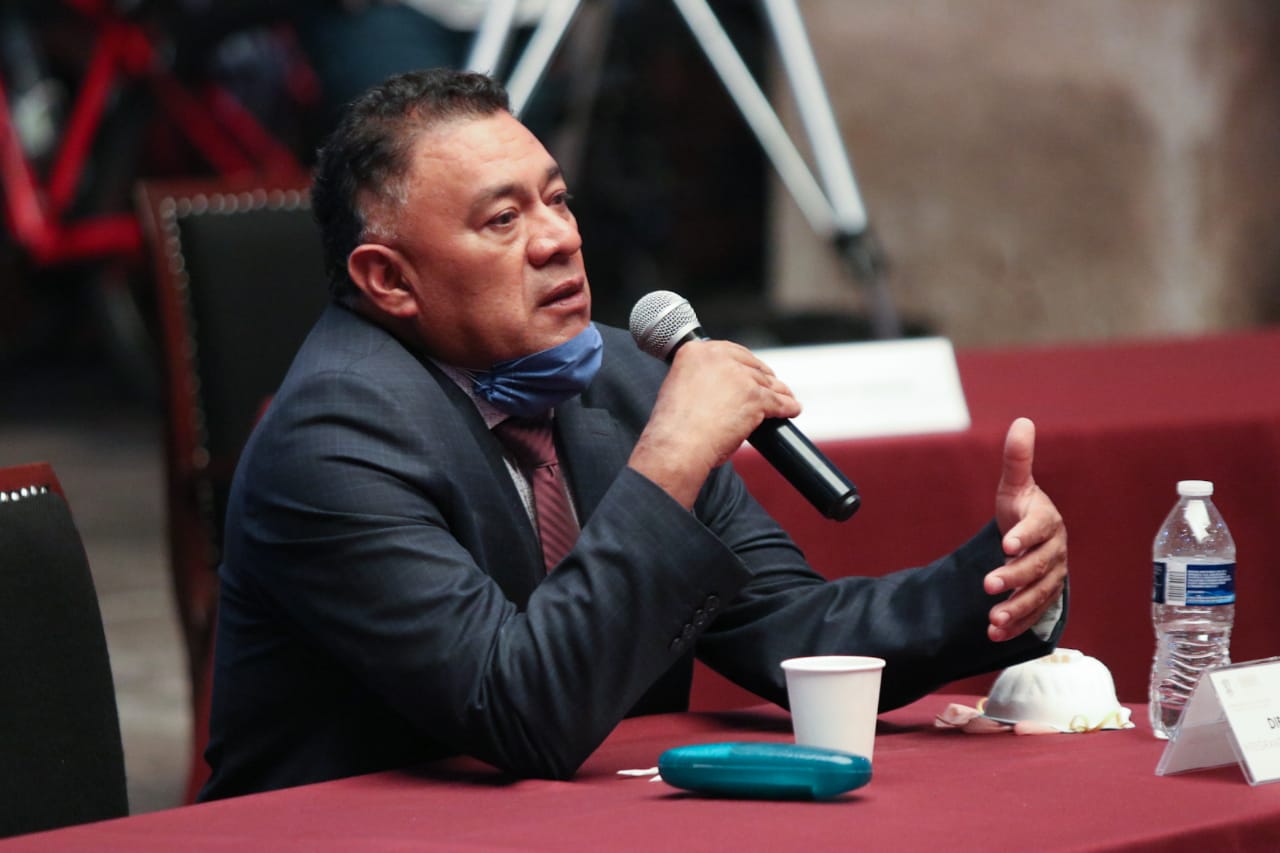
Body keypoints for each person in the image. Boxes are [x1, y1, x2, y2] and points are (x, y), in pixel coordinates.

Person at [199, 68, 1068, 801]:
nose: (559, 239)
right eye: (503, 220)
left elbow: (793, 629)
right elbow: (519, 710)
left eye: (557, 199)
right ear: (389, 280)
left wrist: (998, 579)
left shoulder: (620, 375)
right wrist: (671, 458)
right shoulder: (331, 436)